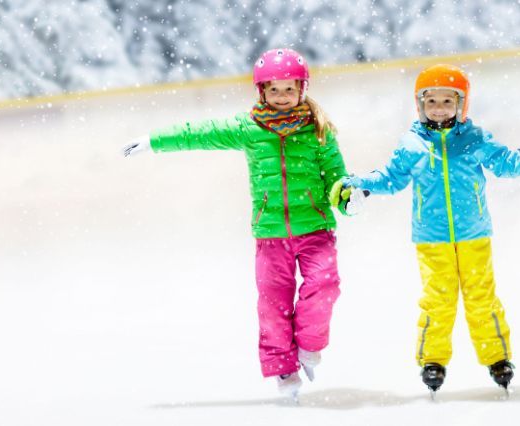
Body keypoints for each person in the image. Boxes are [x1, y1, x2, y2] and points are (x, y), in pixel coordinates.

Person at [330, 64, 520, 394]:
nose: (439, 108)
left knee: (481, 297)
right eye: (430, 101)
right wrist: (357, 185)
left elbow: (509, 163)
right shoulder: (412, 145)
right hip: (431, 239)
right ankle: (432, 361)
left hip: (474, 233)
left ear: (462, 105)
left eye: (448, 101)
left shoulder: (474, 139)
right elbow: (389, 178)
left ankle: (497, 358)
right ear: (419, 105)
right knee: (438, 299)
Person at [123, 48, 350, 400]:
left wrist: (347, 197)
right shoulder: (248, 129)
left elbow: (337, 178)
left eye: (289, 89)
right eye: (273, 90)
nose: (282, 97)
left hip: (316, 229)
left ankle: (309, 345)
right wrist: (155, 141)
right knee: (273, 304)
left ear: (302, 89)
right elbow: (198, 133)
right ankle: (284, 370)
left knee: (325, 285)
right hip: (270, 233)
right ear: (261, 92)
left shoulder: (318, 131)